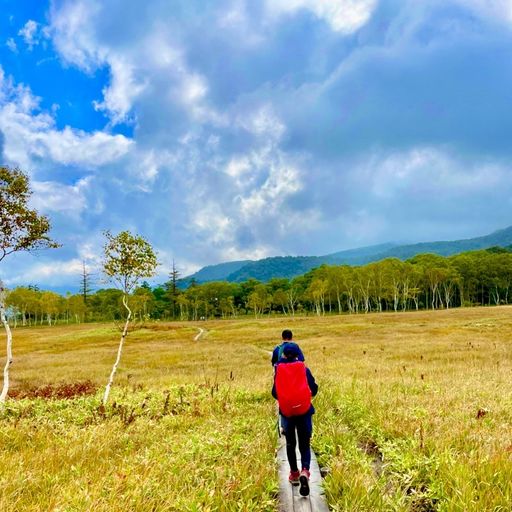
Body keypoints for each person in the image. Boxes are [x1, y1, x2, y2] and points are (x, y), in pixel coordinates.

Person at [272, 342, 318, 497]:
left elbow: (274, 393)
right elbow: (315, 389)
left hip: (287, 414)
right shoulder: (304, 369)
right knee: (305, 445)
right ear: (298, 354)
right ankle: (305, 470)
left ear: (283, 355)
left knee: (290, 444)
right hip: (304, 411)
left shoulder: (279, 371)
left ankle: (294, 474)